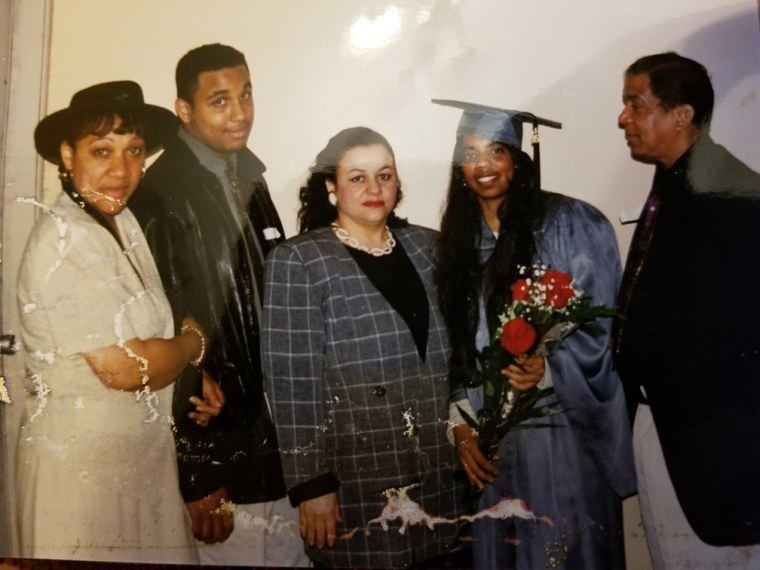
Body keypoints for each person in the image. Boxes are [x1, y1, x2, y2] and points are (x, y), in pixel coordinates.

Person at [16, 80, 224, 563]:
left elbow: (162, 321)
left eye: (133, 151)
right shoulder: (65, 240)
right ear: (67, 155)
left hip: (139, 463)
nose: (121, 170)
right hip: (80, 476)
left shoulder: (119, 220)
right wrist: (192, 349)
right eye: (102, 151)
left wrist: (190, 370)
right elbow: (125, 367)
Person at [435, 100, 636, 569]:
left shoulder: (570, 224)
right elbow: (453, 348)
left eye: (496, 152)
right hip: (490, 434)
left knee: (562, 547)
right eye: (470, 153)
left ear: (517, 159)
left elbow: (602, 327)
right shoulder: (456, 246)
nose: (482, 166)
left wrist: (549, 367)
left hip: (560, 426)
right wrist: (460, 422)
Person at [128, 44, 307, 567]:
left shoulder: (246, 172)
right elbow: (161, 333)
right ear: (184, 110)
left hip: (267, 434)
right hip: (220, 446)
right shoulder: (161, 193)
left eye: (246, 94)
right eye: (220, 101)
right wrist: (198, 474)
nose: (241, 112)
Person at [262, 127, 465, 568]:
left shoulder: (429, 248)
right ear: (331, 187)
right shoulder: (299, 261)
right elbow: (291, 385)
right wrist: (312, 485)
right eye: (357, 177)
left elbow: (457, 356)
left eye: (385, 175)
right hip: (356, 483)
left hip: (438, 477)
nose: (374, 189)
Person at [614, 52, 760, 568]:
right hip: (663, 428)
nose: (622, 118)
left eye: (636, 104)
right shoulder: (673, 183)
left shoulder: (735, 195)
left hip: (717, 447)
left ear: (681, 114)